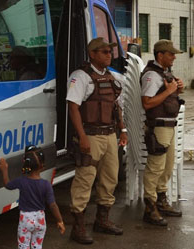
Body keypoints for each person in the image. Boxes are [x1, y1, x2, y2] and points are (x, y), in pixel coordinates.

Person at [66, 37, 128, 244]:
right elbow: (73, 107)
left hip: (110, 135)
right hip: (90, 135)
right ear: (92, 54)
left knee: (110, 178)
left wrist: (123, 129)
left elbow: (115, 106)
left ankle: (102, 220)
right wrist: (82, 136)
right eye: (104, 52)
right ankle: (78, 226)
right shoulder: (80, 76)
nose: (109, 55)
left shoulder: (112, 77)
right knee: (85, 178)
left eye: (110, 52)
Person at [141, 39, 184, 226]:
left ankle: (161, 200)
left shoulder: (165, 73)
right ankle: (150, 208)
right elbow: (147, 103)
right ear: (160, 55)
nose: (174, 57)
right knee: (155, 167)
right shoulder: (151, 75)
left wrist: (177, 89)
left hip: (169, 126)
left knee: (167, 166)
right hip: (158, 126)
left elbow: (169, 97)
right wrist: (170, 92)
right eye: (171, 54)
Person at [0, 145, 65, 249]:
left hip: (25, 219)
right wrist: (60, 221)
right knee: (37, 246)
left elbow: (7, 185)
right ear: (43, 166)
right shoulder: (46, 184)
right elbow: (53, 205)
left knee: (23, 246)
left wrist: (4, 169)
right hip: (40, 220)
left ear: (25, 164)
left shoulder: (22, 181)